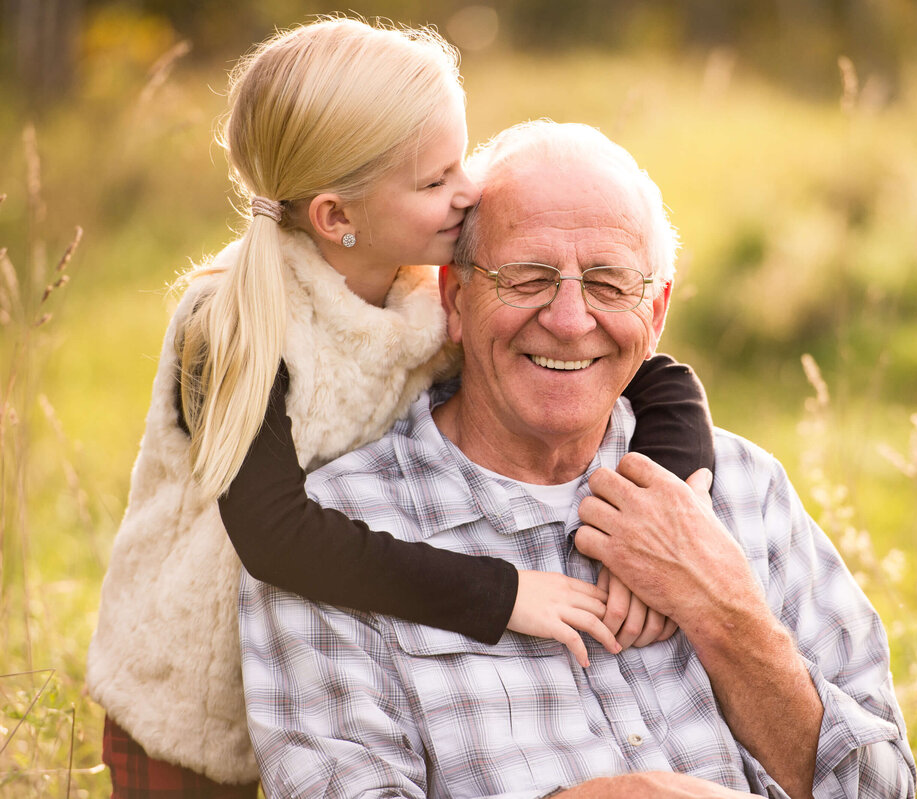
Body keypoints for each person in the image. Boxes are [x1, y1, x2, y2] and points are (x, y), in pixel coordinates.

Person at [87, 19, 712, 798]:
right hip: (192, 702)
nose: (470, 191)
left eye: (462, 160)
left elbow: (659, 378)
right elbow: (276, 538)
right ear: (336, 217)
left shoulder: (421, 293)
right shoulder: (235, 325)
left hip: (317, 679)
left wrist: (670, 506)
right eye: (434, 181)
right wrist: (504, 591)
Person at [241, 120, 917, 798]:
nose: (569, 320)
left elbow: (883, 789)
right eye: (526, 279)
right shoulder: (335, 539)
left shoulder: (745, 489)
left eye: (609, 284)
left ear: (655, 311)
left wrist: (723, 608)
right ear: (453, 297)